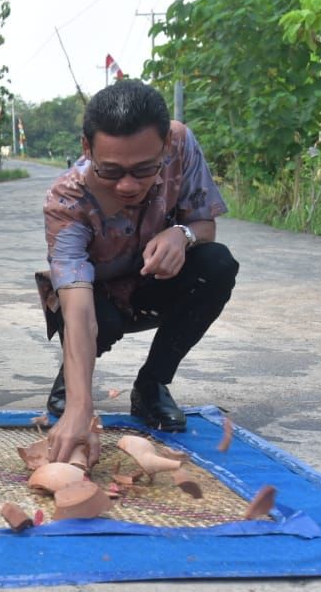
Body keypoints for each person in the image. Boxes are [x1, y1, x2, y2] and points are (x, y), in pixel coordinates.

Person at [38, 79, 239, 463]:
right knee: (95, 319)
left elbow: (205, 227)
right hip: (96, 297)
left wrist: (181, 235)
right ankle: (73, 384)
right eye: (111, 171)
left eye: (144, 169)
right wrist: (82, 407)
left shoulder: (181, 144)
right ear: (87, 148)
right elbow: (77, 303)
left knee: (216, 264)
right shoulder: (66, 199)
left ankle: (152, 386)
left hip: (153, 282)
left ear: (165, 146)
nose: (128, 185)